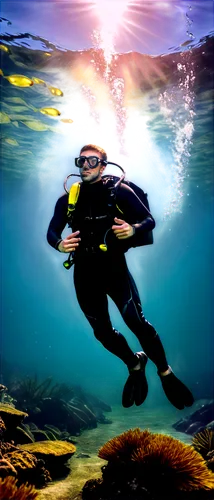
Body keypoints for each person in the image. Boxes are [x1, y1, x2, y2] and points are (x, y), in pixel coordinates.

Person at [47, 144, 194, 410]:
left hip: (114, 268)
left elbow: (148, 220)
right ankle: (134, 362)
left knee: (136, 322)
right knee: (101, 332)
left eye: (92, 161)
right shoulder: (67, 199)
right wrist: (59, 244)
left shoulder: (119, 192)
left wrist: (132, 228)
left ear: (103, 166)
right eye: (81, 161)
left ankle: (165, 372)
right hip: (84, 273)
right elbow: (52, 231)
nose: (86, 166)